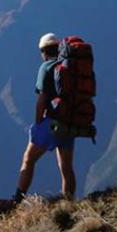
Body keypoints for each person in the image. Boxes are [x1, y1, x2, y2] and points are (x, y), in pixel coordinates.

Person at [13, 33, 76, 203]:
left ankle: (17, 200)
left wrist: (38, 122)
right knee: (66, 167)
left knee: (29, 158)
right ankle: (68, 202)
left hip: (52, 123)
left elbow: (42, 98)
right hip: (70, 122)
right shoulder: (68, 66)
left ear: (43, 51)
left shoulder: (46, 67)